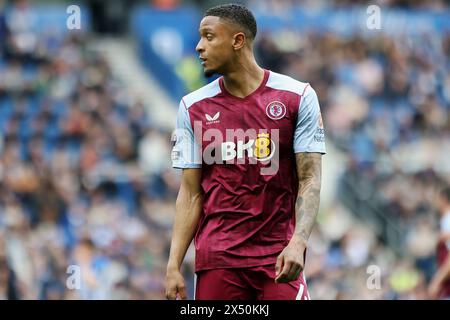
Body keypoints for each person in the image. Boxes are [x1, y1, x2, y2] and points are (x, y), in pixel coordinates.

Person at [166, 3, 326, 300]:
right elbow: (190, 193)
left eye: (209, 37)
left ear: (238, 41)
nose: (199, 47)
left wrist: (298, 243)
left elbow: (310, 180)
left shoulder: (297, 96)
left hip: (277, 258)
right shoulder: (192, 107)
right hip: (218, 261)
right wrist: (174, 264)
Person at [428, 186, 450, 299]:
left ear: (443, 199)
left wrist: (436, 281)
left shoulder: (448, 220)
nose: (434, 201)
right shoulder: (444, 220)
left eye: (436, 198)